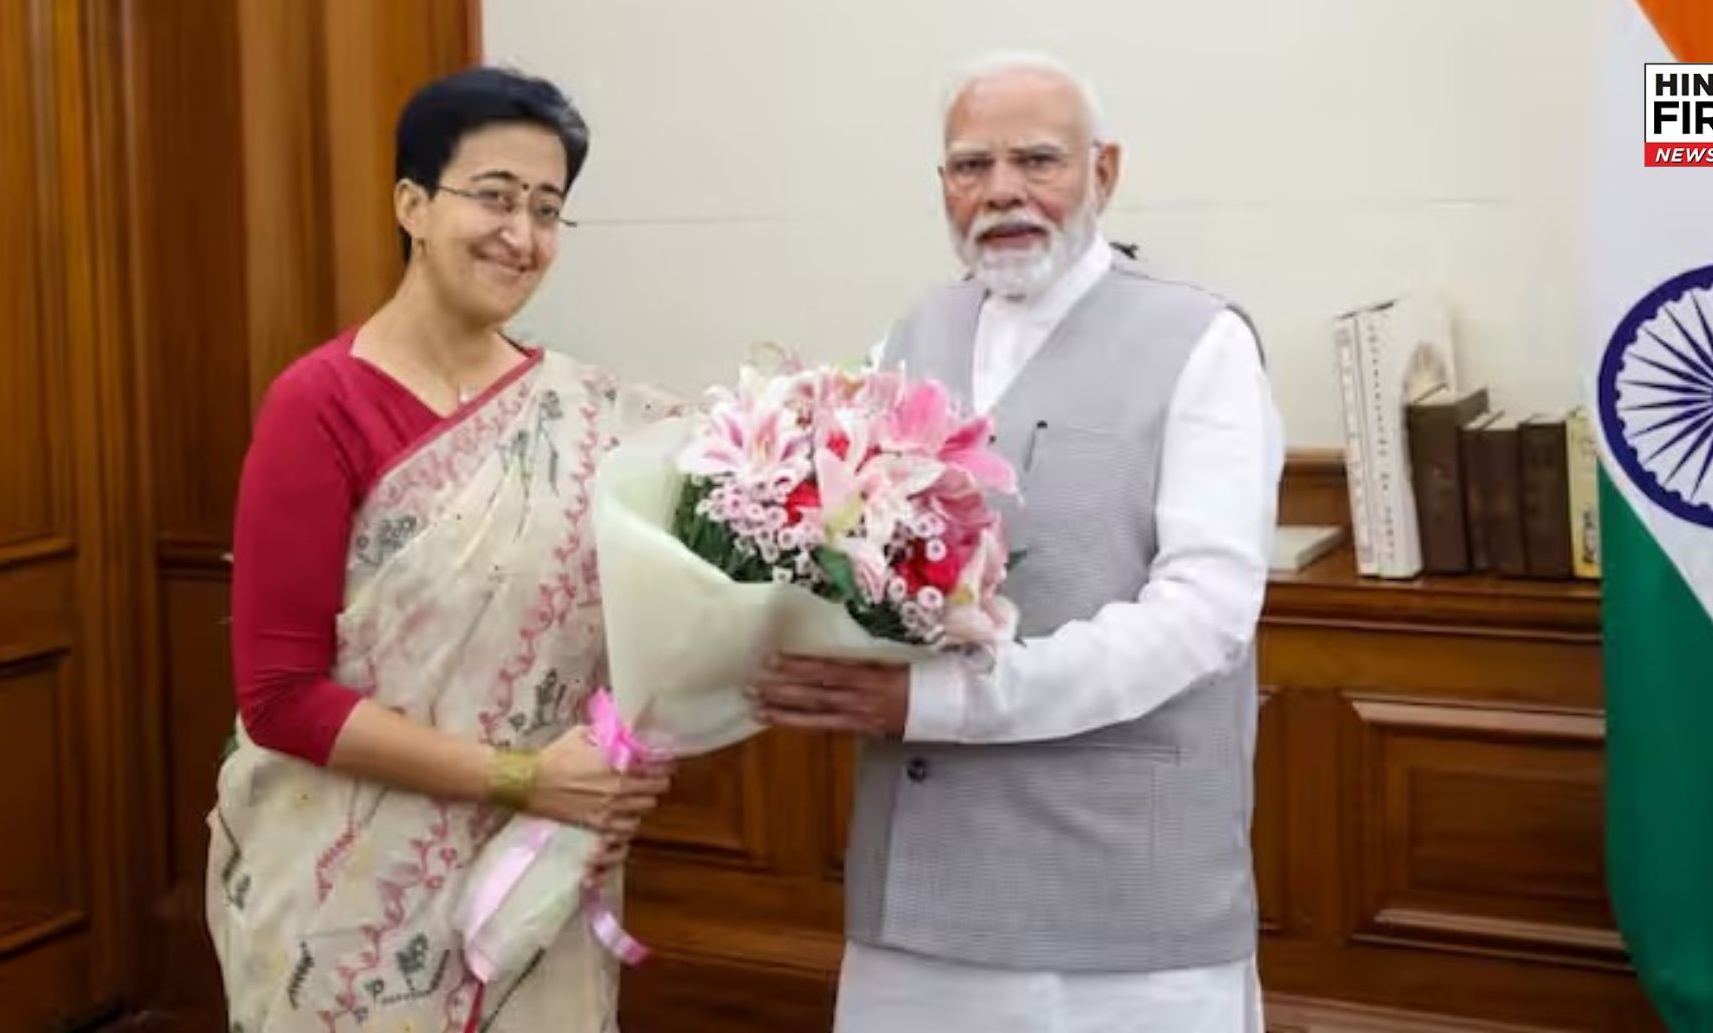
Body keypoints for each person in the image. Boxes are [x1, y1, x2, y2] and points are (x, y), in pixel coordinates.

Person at [751, 52, 1285, 1032]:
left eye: (1038, 160)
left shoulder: (1201, 340)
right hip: (920, 896)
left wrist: (950, 701)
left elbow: (1204, 618)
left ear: (1103, 172)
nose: (1002, 191)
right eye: (971, 166)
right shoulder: (907, 339)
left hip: (1121, 906)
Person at [207, 66, 671, 1032]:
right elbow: (279, 695)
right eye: (494, 196)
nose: (522, 234)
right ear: (412, 206)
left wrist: (627, 756)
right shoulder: (319, 404)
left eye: (547, 209)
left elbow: (645, 640)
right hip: (350, 900)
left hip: (535, 875)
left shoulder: (587, 416)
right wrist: (522, 776)